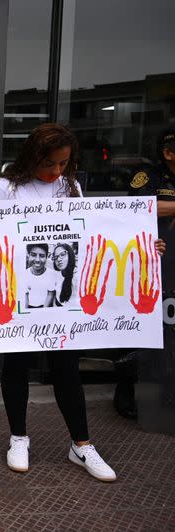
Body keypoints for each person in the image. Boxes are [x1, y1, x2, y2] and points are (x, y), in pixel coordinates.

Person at [0, 123, 116, 481]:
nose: (56, 171)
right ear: (32, 157)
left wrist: (142, 246)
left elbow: (87, 236)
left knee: (66, 368)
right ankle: (18, 437)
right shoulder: (6, 188)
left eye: (63, 163)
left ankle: (82, 444)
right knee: (16, 365)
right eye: (50, 163)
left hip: (61, 296)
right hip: (19, 294)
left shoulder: (70, 187)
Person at [119, 127, 175, 419]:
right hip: (153, 266)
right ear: (168, 153)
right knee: (142, 334)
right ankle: (127, 398)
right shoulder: (148, 176)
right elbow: (138, 208)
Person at [23, 243, 56, 309]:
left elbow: (50, 294)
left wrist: (42, 311)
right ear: (28, 255)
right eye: (33, 255)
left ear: (47, 257)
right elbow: (25, 296)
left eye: (42, 256)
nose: (37, 260)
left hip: (45, 307)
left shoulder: (51, 274)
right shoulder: (24, 274)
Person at [52, 243, 77, 307]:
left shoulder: (77, 278)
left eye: (62, 254)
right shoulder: (56, 274)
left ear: (70, 255)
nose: (59, 259)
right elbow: (56, 295)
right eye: (56, 257)